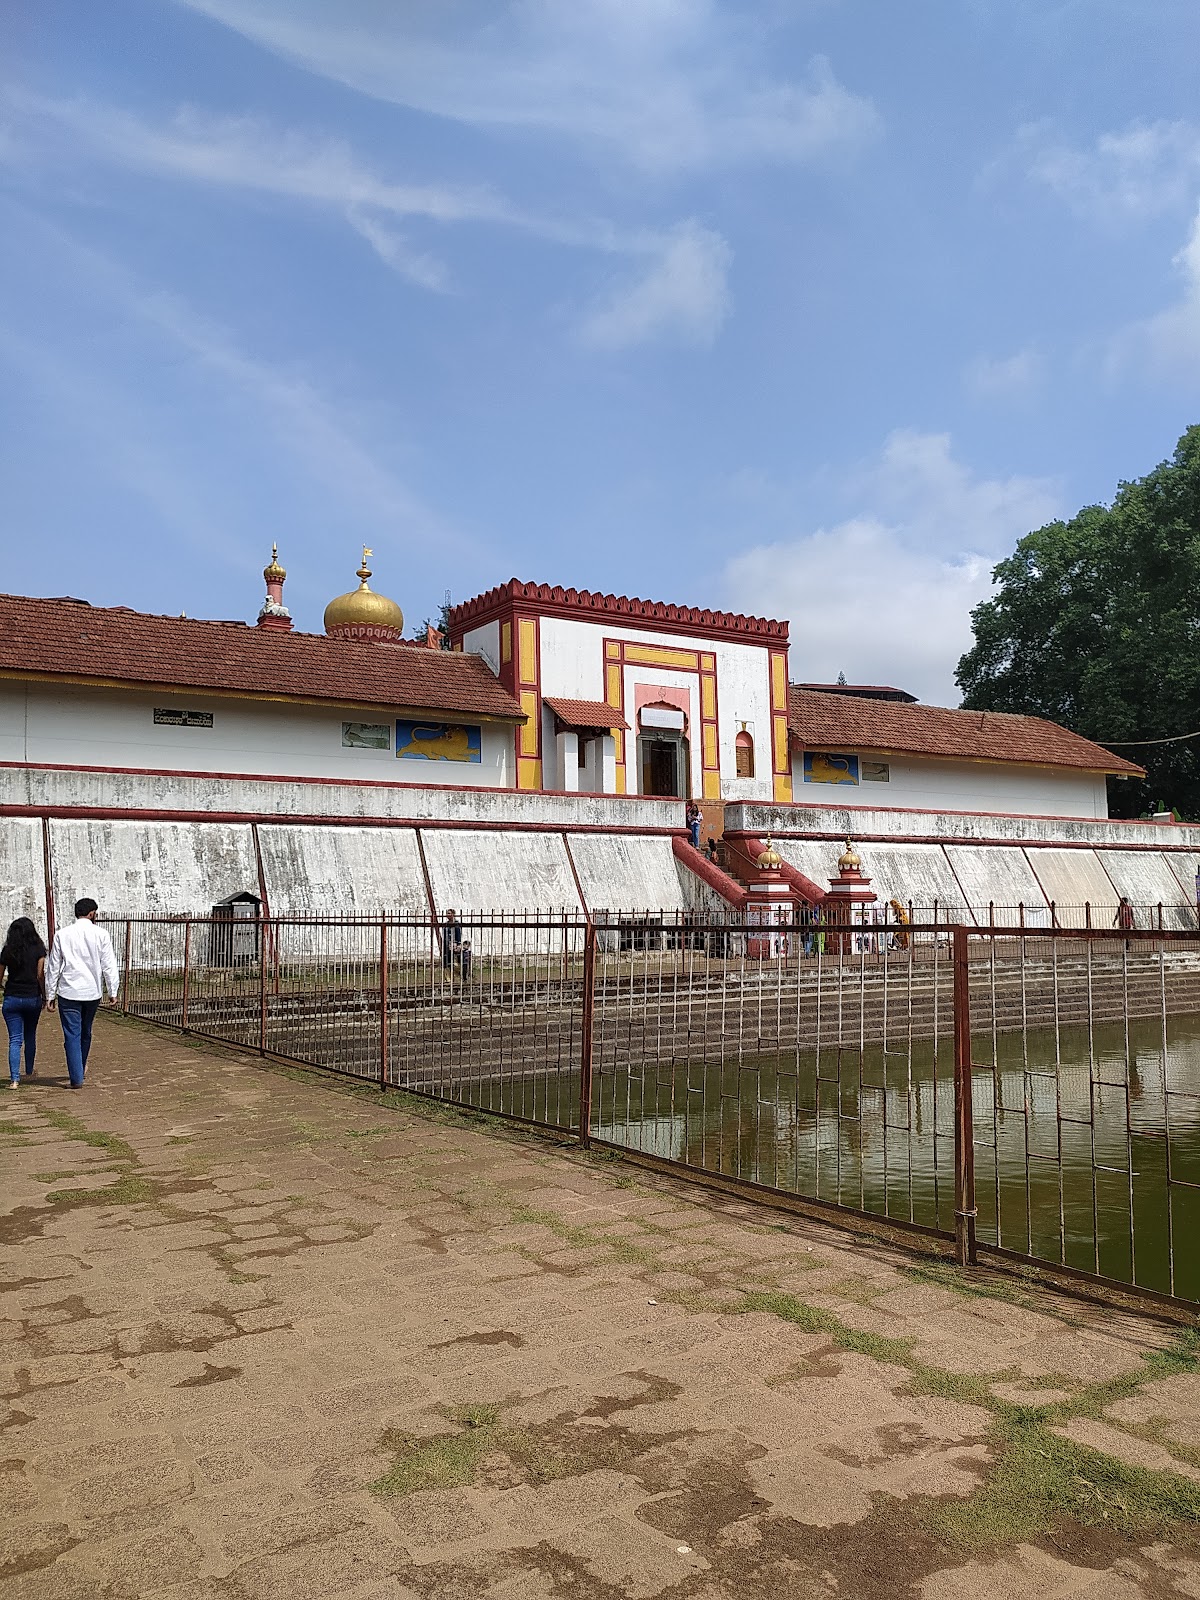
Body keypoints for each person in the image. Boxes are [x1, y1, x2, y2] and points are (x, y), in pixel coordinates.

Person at [45, 898, 119, 1089]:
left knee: (71, 1035)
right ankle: (80, 1066)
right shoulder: (101, 934)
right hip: (91, 992)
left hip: (69, 991)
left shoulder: (62, 934)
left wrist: (49, 994)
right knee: (85, 1031)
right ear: (92, 913)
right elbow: (108, 964)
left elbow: (53, 966)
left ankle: (76, 1076)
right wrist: (113, 991)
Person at [1, 917, 47, 1090]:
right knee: (30, 1035)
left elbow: (0, 975)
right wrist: (44, 996)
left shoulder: (7, 950)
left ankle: (14, 1079)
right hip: (31, 997)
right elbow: (40, 975)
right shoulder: (38, 949)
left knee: (14, 1039)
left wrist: (5, 987)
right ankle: (28, 1071)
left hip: (12, 997)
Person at [440, 908, 463, 975]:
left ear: (453, 914)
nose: (447, 915)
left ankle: (457, 973)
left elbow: (458, 934)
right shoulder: (446, 924)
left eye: (449, 913)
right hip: (446, 944)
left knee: (454, 960)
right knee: (446, 960)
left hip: (454, 944)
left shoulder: (456, 924)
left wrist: (458, 944)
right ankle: (448, 976)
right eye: (447, 913)